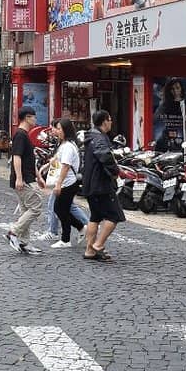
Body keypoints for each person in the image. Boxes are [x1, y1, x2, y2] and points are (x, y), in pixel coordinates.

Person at [82, 109, 125, 262]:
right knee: (114, 216)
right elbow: (104, 155)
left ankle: (89, 250)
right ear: (105, 121)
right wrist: (115, 171)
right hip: (100, 184)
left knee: (95, 217)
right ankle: (98, 245)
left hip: (89, 184)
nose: (111, 122)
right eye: (110, 119)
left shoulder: (90, 136)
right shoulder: (99, 138)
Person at [5, 107, 45, 255]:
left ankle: (23, 242)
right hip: (23, 179)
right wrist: (20, 178)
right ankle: (13, 232)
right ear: (27, 118)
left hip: (27, 177)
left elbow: (30, 158)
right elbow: (17, 157)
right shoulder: (21, 135)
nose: (35, 120)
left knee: (25, 210)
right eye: (33, 117)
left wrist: (39, 176)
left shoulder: (24, 135)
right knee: (36, 207)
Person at [46, 119, 86, 250]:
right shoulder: (64, 144)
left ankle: (66, 239)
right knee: (61, 209)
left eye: (59, 128)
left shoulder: (68, 146)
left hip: (68, 183)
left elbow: (65, 166)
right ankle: (81, 228)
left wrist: (58, 184)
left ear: (66, 130)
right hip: (66, 183)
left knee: (59, 209)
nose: (57, 131)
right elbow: (57, 160)